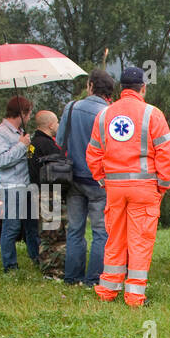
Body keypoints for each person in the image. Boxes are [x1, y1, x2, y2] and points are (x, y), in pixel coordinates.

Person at [86, 66, 170, 306]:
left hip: (114, 189)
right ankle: (134, 296)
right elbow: (165, 154)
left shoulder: (104, 115)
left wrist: (104, 180)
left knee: (114, 238)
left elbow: (93, 153)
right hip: (145, 188)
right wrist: (162, 186)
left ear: (121, 89)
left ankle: (107, 290)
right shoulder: (152, 114)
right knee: (140, 241)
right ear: (143, 88)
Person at [57, 69, 113, 287]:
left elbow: (60, 140)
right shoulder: (109, 114)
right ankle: (93, 279)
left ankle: (72, 277)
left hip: (72, 178)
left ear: (90, 86)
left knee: (75, 229)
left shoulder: (71, 108)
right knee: (100, 231)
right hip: (99, 181)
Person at [0, 95, 38, 271]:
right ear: (22, 113)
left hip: (26, 186)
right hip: (11, 187)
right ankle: (10, 266)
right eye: (29, 113)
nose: (29, 117)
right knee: (12, 227)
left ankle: (37, 259)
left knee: (32, 225)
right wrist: (21, 146)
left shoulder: (19, 133)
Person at [28, 109, 67, 279]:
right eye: (57, 122)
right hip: (50, 194)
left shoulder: (34, 143)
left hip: (39, 192)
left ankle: (46, 267)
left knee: (46, 233)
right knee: (55, 235)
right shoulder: (47, 145)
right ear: (50, 125)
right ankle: (53, 271)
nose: (58, 125)